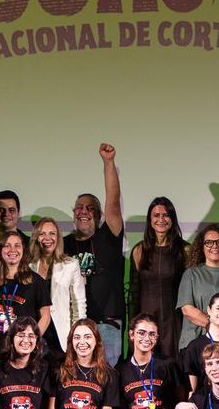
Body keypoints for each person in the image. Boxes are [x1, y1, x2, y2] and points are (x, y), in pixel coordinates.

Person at [64, 143, 125, 365]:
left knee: (107, 378)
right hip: (75, 326)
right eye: (79, 207)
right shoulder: (63, 245)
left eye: (90, 208)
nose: (83, 211)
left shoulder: (109, 237)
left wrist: (108, 162)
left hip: (106, 325)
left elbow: (113, 203)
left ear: (99, 215)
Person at [129, 196, 188, 360]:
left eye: (166, 215)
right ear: (150, 219)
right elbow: (134, 294)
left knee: (175, 366)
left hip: (175, 322)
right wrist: (132, 327)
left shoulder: (185, 251)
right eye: (156, 215)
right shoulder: (139, 250)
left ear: (172, 219)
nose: (161, 220)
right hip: (146, 321)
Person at [0, 231, 51, 358]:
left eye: (17, 245)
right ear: (0, 250)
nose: (12, 250)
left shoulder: (36, 281)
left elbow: (46, 316)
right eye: (7, 245)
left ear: (23, 249)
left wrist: (32, 340)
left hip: (22, 351)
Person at [29, 216, 85, 352]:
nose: (47, 238)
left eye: (52, 233)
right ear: (36, 238)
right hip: (35, 331)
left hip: (61, 335)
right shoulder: (28, 266)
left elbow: (79, 305)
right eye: (42, 233)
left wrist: (78, 335)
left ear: (58, 238)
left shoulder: (71, 265)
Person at [0, 189, 30, 267]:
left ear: (19, 213)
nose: (6, 214)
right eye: (1, 210)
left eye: (11, 210)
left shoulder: (30, 244)